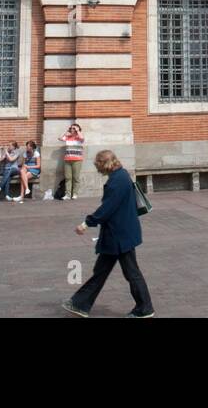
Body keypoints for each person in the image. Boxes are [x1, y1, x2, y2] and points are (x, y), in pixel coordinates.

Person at [64, 150, 154, 318]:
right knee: (103, 271)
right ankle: (80, 303)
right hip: (120, 233)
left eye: (98, 165)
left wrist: (87, 223)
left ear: (104, 164)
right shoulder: (121, 175)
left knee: (130, 273)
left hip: (119, 235)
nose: (98, 169)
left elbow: (107, 209)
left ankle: (145, 308)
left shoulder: (116, 182)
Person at [59, 123, 85, 201]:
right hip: (67, 160)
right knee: (68, 178)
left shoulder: (79, 138)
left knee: (76, 178)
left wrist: (77, 130)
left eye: (74, 128)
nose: (72, 130)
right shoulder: (68, 137)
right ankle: (67, 194)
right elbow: (60, 138)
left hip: (77, 160)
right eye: (71, 128)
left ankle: (75, 194)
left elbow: (82, 138)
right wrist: (66, 131)